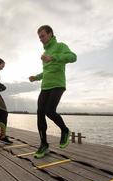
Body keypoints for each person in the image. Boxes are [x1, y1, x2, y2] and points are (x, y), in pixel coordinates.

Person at [29, 25, 77, 158]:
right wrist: (36, 78)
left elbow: (73, 57)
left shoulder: (60, 46)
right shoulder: (44, 53)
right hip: (45, 86)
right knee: (40, 113)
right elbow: (46, 71)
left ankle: (65, 130)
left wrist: (54, 57)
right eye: (39, 37)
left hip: (57, 84)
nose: (41, 39)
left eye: (43, 36)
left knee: (49, 111)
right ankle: (44, 144)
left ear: (50, 34)